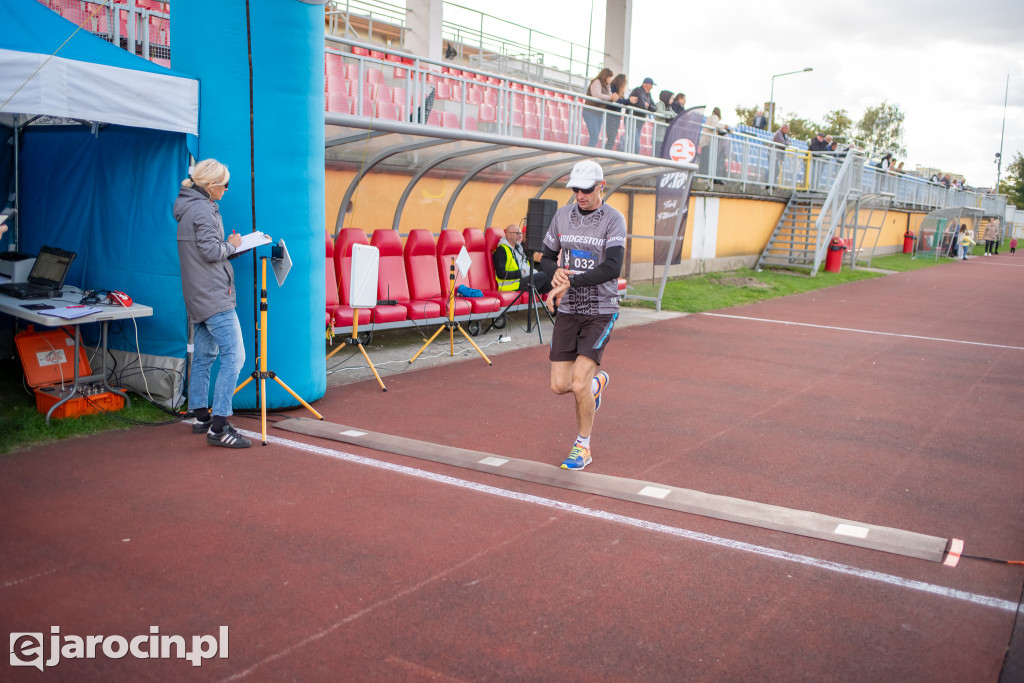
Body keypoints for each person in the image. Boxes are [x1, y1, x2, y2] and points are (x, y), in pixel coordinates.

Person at [538, 160, 625, 471]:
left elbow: (613, 267)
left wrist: (570, 281)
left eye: (586, 189)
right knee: (559, 386)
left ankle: (583, 447)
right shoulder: (563, 215)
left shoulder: (614, 219)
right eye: (575, 189)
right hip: (569, 309)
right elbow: (545, 258)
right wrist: (555, 271)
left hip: (600, 311)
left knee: (577, 384)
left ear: (601, 186)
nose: (579, 194)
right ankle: (595, 387)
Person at [174, 159, 251, 448]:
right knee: (235, 355)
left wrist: (229, 249)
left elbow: (202, 253)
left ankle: (200, 415)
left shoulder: (187, 208)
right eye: (224, 184)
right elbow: (209, 251)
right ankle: (218, 426)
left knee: (205, 355)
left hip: (197, 294)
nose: (227, 189)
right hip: (214, 295)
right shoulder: (204, 210)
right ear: (210, 185)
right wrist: (233, 244)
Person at [492, 224, 552, 294]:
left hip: (524, 280)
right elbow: (501, 274)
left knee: (553, 279)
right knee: (545, 275)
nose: (520, 236)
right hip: (512, 285)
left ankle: (554, 304)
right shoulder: (501, 251)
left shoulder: (519, 249)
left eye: (520, 233)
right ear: (508, 235)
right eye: (517, 233)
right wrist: (521, 273)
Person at [583, 68, 615, 147]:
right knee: (594, 137)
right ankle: (587, 155)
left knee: (595, 137)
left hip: (598, 113)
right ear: (605, 76)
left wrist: (613, 98)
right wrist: (610, 97)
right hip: (590, 112)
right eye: (609, 77)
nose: (610, 79)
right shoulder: (597, 82)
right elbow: (596, 95)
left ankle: (588, 154)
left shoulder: (607, 85)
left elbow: (609, 96)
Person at [626, 77, 658, 154]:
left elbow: (654, 108)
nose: (652, 87)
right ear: (646, 84)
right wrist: (646, 106)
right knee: (635, 144)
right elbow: (641, 106)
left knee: (635, 142)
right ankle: (630, 159)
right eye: (651, 85)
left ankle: (631, 158)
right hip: (632, 119)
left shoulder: (648, 94)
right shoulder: (638, 90)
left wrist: (648, 105)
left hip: (639, 121)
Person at [604, 74, 636, 151]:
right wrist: (628, 100)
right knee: (611, 138)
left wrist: (629, 101)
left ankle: (606, 153)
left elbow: (623, 101)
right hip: (611, 116)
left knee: (612, 138)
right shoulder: (613, 88)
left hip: (615, 117)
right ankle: (605, 153)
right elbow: (616, 100)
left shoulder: (618, 90)